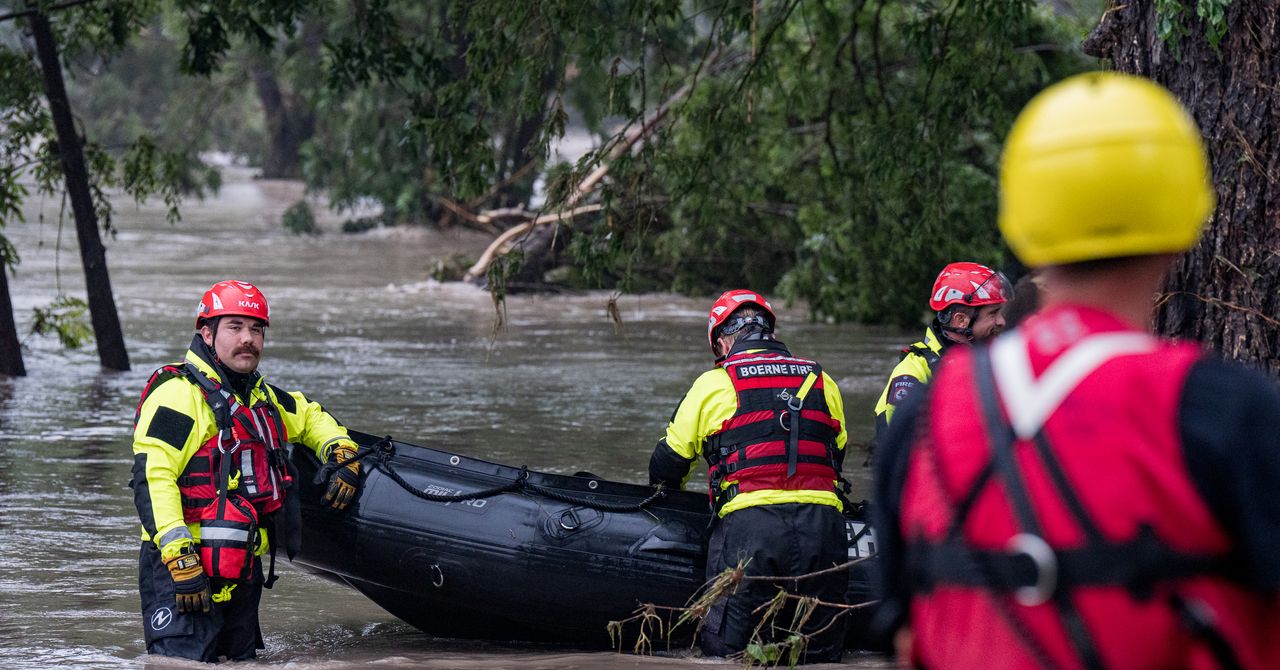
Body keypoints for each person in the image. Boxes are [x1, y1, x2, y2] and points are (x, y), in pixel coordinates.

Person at [873, 72, 1280, 669]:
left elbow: (907, 641)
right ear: (1185, 222)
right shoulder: (1231, 412)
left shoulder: (920, 422)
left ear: (1023, 226)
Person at [130, 280, 363, 662]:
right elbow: (153, 479)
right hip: (182, 569)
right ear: (207, 333)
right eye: (235, 327)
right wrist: (179, 558)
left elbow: (309, 416)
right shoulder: (177, 395)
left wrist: (341, 452)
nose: (248, 339)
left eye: (256, 329)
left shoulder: (261, 398)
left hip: (240, 566)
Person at [648, 290, 850, 663]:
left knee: (730, 654)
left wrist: (668, 512)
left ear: (723, 340)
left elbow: (668, 463)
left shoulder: (715, 383)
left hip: (752, 532)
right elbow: (835, 454)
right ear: (769, 332)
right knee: (820, 653)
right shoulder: (823, 380)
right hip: (824, 531)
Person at [870, 261, 1008, 454]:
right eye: (993, 313)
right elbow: (896, 449)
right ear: (961, 320)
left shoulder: (995, 362)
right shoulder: (915, 371)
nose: (1002, 321)